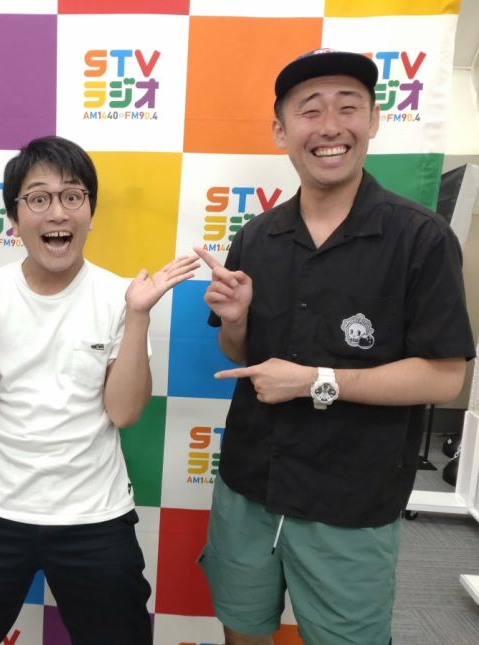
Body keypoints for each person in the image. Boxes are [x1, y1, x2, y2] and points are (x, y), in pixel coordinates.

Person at [194, 49, 475, 645]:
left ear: (373, 121)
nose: (329, 126)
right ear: (281, 131)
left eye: (347, 108)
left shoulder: (420, 238)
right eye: (309, 110)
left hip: (351, 498)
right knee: (241, 629)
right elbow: (238, 355)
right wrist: (236, 323)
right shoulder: (257, 237)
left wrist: (316, 381)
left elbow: (445, 375)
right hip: (250, 484)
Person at [0, 135, 200, 644]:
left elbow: (124, 412)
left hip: (94, 514)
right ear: (14, 218)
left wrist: (137, 317)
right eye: (38, 198)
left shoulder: (120, 296)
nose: (57, 212)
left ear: (90, 211)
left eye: (72, 196)